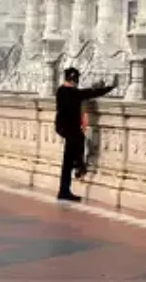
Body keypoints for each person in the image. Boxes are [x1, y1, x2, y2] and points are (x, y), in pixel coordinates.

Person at [55, 68, 117, 202]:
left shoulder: (61, 91)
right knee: (76, 149)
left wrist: (98, 89)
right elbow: (89, 93)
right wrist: (108, 88)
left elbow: (86, 92)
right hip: (71, 130)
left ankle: (64, 189)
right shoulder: (72, 93)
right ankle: (78, 168)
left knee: (68, 159)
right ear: (74, 79)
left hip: (64, 128)